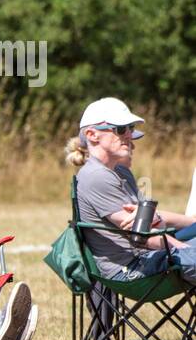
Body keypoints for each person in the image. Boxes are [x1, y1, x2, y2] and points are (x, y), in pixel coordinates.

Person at [66, 97, 196, 283]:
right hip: (132, 267)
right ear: (92, 134)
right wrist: (186, 250)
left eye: (130, 128)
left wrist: (187, 222)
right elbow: (145, 237)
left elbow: (150, 220)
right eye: (120, 129)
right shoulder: (96, 176)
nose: (129, 135)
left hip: (148, 256)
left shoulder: (120, 171)